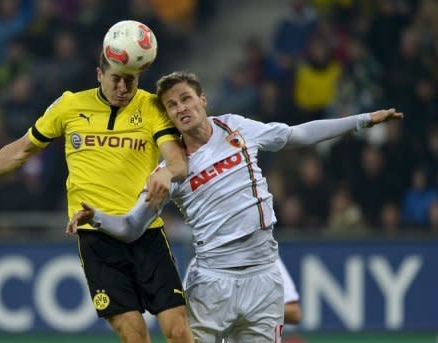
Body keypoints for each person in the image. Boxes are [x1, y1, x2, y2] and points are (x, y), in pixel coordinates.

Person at [66, 71, 403, 342]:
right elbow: (130, 227)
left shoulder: (235, 127)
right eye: (171, 105)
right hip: (213, 283)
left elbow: (298, 134)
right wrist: (96, 218)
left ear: (202, 99)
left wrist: (363, 120)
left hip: (265, 277)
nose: (181, 108)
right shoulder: (168, 170)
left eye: (185, 98)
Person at [0, 51, 195, 342]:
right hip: (96, 237)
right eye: (116, 80)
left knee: (177, 332)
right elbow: (21, 150)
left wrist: (167, 173)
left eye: (131, 81)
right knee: (133, 335)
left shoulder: (151, 106)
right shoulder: (70, 105)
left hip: (147, 232)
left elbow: (177, 161)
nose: (124, 89)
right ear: (99, 74)